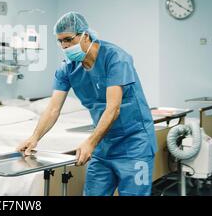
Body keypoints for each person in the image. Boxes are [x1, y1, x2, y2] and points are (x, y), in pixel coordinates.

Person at [17, 11, 157, 196]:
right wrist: (35, 137)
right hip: (103, 144)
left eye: (68, 39)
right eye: (60, 41)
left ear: (85, 35)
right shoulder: (67, 68)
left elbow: (113, 109)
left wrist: (89, 143)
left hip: (135, 144)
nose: (64, 46)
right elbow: (53, 109)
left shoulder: (115, 58)